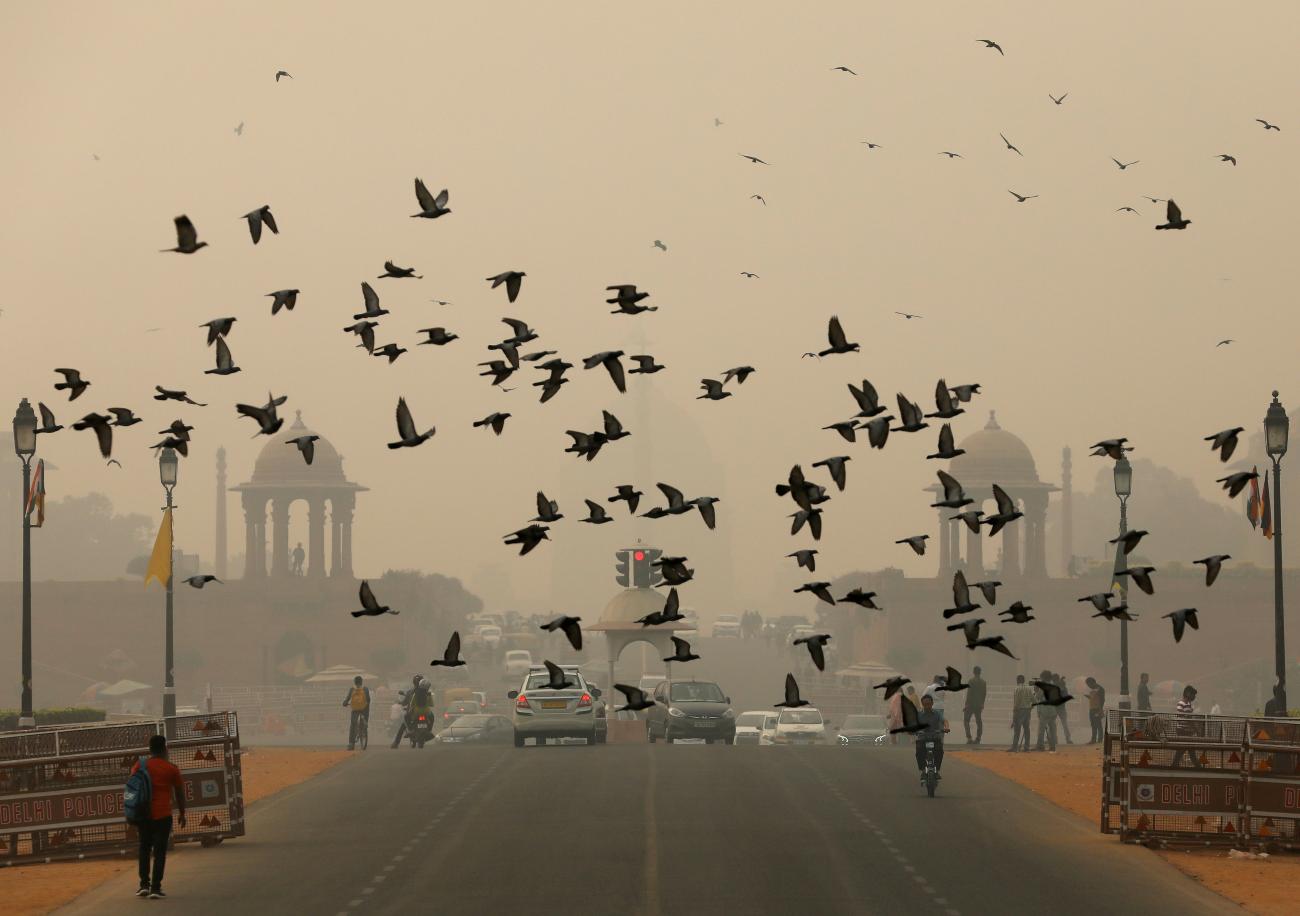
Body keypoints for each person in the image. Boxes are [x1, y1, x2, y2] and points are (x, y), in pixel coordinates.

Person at [131, 734, 186, 899]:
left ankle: (143, 885)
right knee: (160, 851)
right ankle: (156, 887)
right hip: (163, 815)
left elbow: (133, 790)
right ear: (164, 749)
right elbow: (179, 793)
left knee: (144, 848)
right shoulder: (171, 768)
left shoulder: (139, 766)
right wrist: (182, 813)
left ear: (150, 749)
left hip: (144, 815)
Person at [390, 675, 434, 748]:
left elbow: (406, 703)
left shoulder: (411, 692)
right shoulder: (427, 692)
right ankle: (429, 730)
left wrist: (401, 702)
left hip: (413, 713)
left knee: (403, 725)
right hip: (426, 713)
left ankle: (396, 743)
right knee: (432, 717)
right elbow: (431, 704)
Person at [914, 693, 949, 779]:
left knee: (939, 752)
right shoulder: (918, 714)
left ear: (932, 703)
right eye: (925, 704)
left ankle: (936, 770)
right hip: (922, 738)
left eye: (928, 704)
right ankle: (923, 770)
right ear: (922, 704)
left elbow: (944, 721)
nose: (927, 706)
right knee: (919, 752)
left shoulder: (937, 713)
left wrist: (946, 728)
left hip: (935, 738)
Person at [1170, 685, 1203, 768]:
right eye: (1193, 695)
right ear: (1188, 693)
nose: (1194, 697)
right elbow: (1189, 719)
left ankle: (1175, 765)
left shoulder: (1183, 703)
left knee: (1185, 749)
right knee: (1186, 748)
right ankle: (1197, 766)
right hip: (1185, 730)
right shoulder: (1186, 704)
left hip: (1182, 729)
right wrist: (1196, 730)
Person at [342, 675, 371, 750]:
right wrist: (365, 704)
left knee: (353, 725)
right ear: (362, 682)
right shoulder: (365, 688)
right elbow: (368, 699)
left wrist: (345, 703)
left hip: (355, 709)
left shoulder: (352, 689)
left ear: (354, 682)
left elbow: (347, 698)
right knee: (365, 721)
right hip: (364, 709)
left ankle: (351, 743)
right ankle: (364, 728)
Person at [1033, 674, 1058, 752]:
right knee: (1052, 730)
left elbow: (1038, 697)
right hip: (1053, 710)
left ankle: (1040, 746)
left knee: (1041, 730)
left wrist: (1036, 690)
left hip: (1044, 711)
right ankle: (1052, 746)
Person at [1009, 674, 1034, 752]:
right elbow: (1034, 701)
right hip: (1027, 711)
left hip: (1019, 711)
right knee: (1027, 729)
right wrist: (1030, 708)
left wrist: (1014, 717)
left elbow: (1016, 704)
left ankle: (1014, 747)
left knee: (1017, 730)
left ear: (1017, 681)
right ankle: (1026, 747)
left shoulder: (1017, 689)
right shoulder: (1029, 689)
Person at [963, 666, 987, 745]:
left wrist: (966, 704)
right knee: (979, 721)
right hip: (979, 705)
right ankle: (978, 738)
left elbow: (969, 694)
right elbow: (984, 694)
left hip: (970, 704)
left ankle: (969, 738)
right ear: (980, 672)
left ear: (973, 672)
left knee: (966, 720)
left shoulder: (971, 681)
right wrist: (982, 703)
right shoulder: (983, 682)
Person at [1052, 673, 1075, 744]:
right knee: (1064, 724)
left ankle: (1054, 739)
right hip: (1061, 707)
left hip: (1055, 707)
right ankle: (1068, 739)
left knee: (1053, 724)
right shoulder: (1062, 686)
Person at [1086, 677, 1106, 744]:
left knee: (1097, 724)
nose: (1089, 686)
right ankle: (1094, 739)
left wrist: (1100, 709)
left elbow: (1102, 700)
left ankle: (1099, 739)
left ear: (1093, 682)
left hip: (1097, 709)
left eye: (1089, 684)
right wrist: (1088, 697)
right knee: (1093, 724)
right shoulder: (1094, 689)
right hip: (1092, 708)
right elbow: (1093, 698)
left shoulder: (1100, 689)